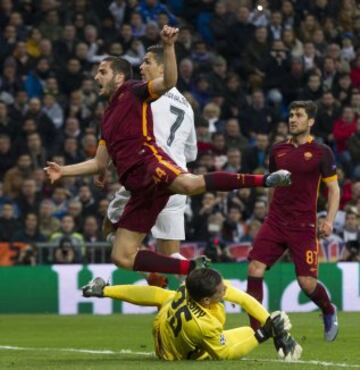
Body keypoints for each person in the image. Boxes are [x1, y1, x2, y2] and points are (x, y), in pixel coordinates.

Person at [44, 25, 291, 278]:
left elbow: (170, 81)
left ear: (119, 77)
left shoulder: (135, 90)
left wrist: (169, 46)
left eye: (102, 72)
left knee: (179, 191)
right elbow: (99, 162)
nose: (96, 77)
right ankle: (190, 269)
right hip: (143, 184)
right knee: (122, 256)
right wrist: (63, 171)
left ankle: (264, 179)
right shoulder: (110, 118)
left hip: (152, 167)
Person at [102, 44, 198, 283]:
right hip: (178, 179)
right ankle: (197, 291)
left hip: (150, 176)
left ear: (163, 68)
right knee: (172, 254)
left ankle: (152, 276)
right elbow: (192, 152)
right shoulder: (186, 106)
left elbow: (128, 136)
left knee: (110, 227)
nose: (141, 67)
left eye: (147, 63)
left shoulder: (145, 97)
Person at [246, 100, 340, 342]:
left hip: (304, 226)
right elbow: (271, 183)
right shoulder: (277, 150)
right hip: (276, 221)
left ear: (310, 121)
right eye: (291, 114)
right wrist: (268, 213)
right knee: (254, 269)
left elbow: (334, 189)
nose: (292, 119)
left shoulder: (322, 152)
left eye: (298, 115)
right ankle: (254, 330)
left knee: (307, 283)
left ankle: (328, 309)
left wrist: (328, 221)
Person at [82, 268, 302, 361]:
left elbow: (244, 299)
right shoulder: (205, 324)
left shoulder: (190, 285)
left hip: (163, 325)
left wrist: (106, 291)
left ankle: (102, 289)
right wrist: (262, 335)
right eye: (221, 291)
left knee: (165, 296)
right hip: (172, 355)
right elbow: (223, 355)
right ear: (206, 300)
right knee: (246, 332)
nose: (226, 291)